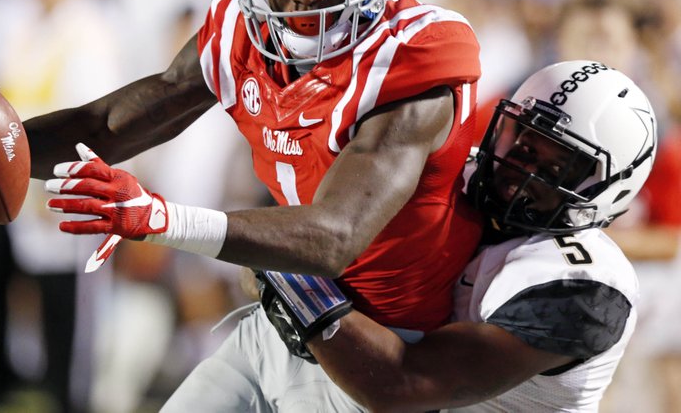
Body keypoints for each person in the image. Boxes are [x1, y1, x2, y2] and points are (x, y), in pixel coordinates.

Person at [0, 0, 481, 409]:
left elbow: (333, 234)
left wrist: (161, 219)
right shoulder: (237, 28)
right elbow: (111, 123)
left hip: (383, 346)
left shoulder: (411, 62)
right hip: (288, 313)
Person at [261, 60, 657, 412]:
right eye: (522, 143)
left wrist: (291, 285)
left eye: (556, 167)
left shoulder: (584, 288)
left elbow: (403, 384)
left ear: (609, 188)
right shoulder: (454, 177)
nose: (519, 169)